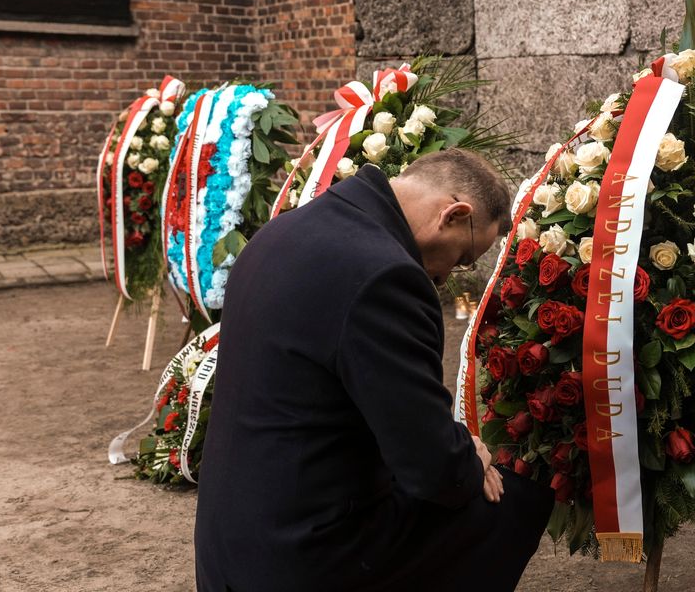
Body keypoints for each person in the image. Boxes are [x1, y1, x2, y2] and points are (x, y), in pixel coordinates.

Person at [195, 148, 554, 592]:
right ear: (454, 216)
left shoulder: (285, 228)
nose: (447, 277)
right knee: (508, 503)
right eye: (462, 258)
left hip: (231, 538)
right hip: (304, 555)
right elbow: (431, 468)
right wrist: (468, 452)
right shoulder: (386, 276)